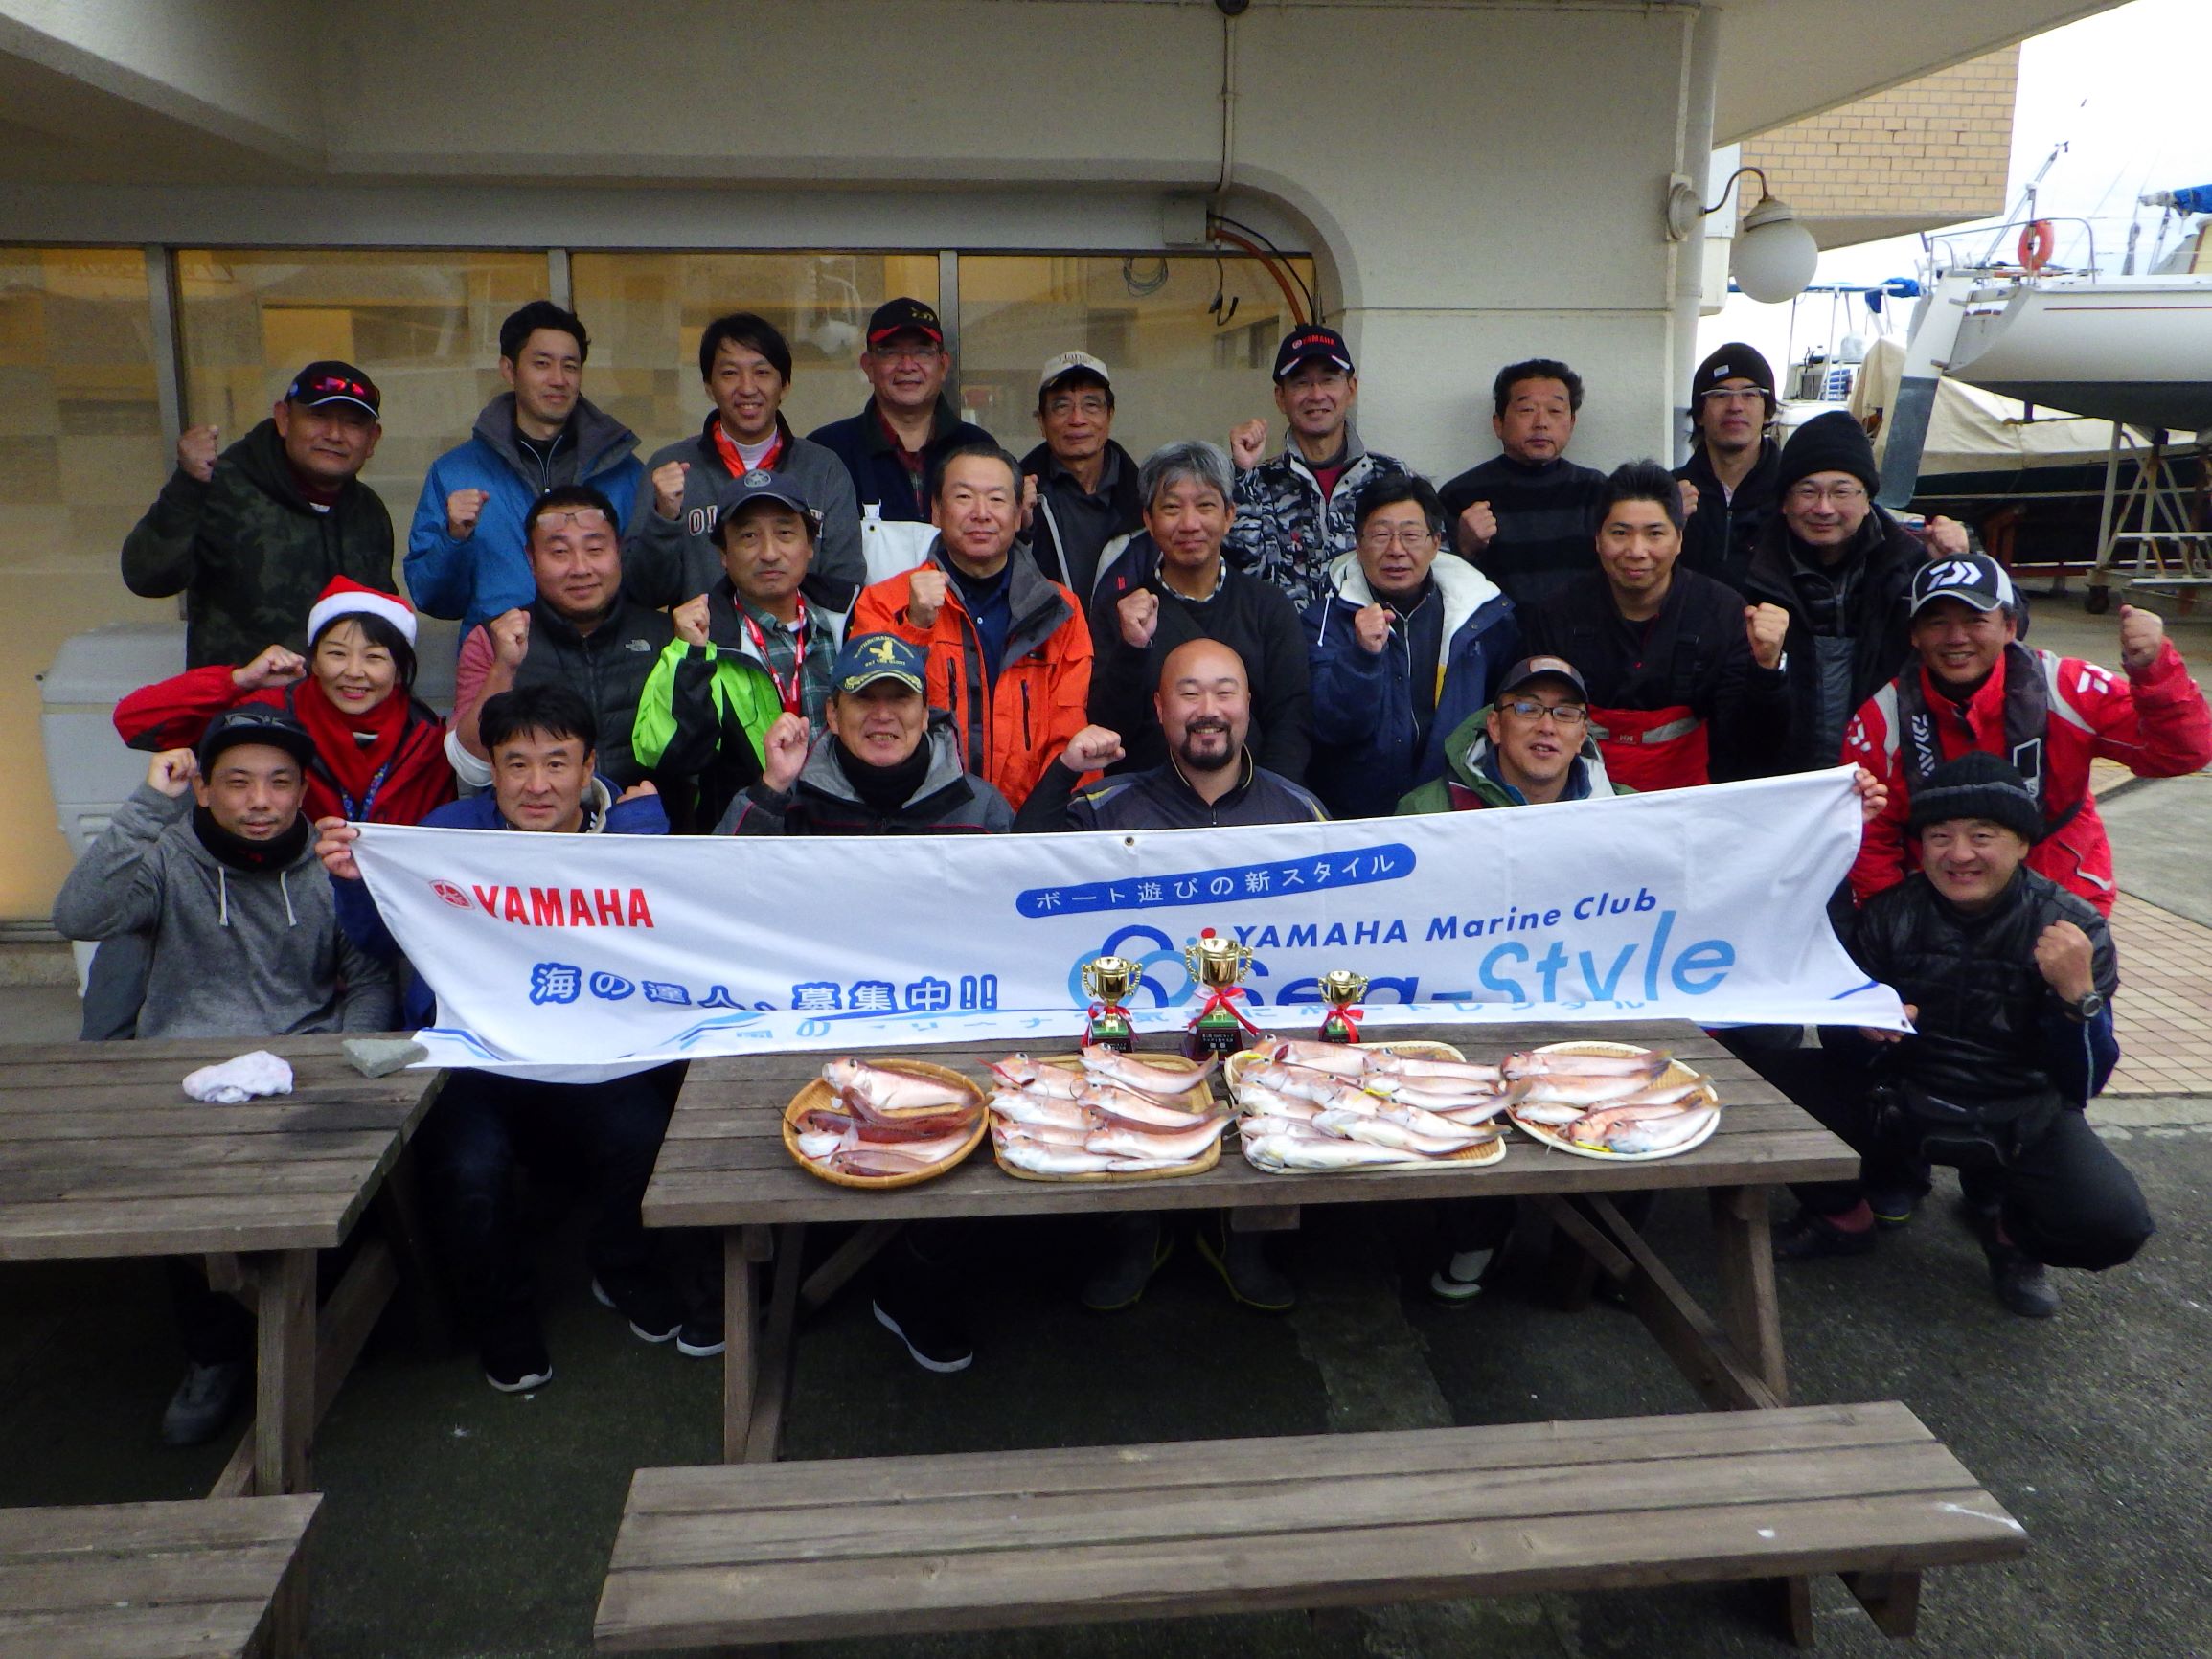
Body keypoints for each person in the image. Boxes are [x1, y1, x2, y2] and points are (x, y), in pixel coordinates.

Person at [317, 684, 696, 1390]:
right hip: (474, 1054)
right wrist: (353, 883)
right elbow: (378, 940)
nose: (536, 784)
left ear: (589, 768)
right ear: (491, 768)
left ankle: (621, 1266)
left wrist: (643, 844)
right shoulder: (447, 833)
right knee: (470, 1171)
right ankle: (502, 1314)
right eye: (516, 764)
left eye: (556, 763)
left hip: (589, 1049)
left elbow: (671, 941)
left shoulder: (628, 823)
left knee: (645, 1134)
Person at [54, 709, 395, 1446]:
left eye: (279, 783)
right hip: (184, 1071)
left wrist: (344, 1058)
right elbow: (77, 915)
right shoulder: (166, 856)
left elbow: (368, 977)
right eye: (237, 783)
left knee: (334, 1183)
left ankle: (324, 1326)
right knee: (193, 1206)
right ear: (204, 790)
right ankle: (214, 1355)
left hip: (301, 1065)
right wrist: (150, 804)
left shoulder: (326, 864)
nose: (260, 801)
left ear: (302, 790)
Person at [1770, 753, 2153, 1318]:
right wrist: (1866, 1029)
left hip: (2020, 1113)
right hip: (1901, 1100)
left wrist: (2079, 999)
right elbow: (1839, 1044)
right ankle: (1842, 1216)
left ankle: (2011, 1237)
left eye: (1982, 835)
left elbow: (2085, 1082)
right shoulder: (1888, 914)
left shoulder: (2073, 929)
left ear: (2022, 843)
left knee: (2113, 1224)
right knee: (1766, 1078)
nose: (1960, 853)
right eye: (1940, 836)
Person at [1018, 638, 1322, 1312]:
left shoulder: (1300, 813)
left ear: (1248, 705)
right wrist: (1063, 771)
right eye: (1189, 693)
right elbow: (1025, 870)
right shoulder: (1108, 806)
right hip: (1140, 1041)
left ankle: (1243, 1240)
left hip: (1258, 1039)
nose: (1208, 709)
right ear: (1159, 708)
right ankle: (1138, 1234)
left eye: (1224, 691)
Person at [1846, 555, 2212, 915]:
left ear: (2010, 627)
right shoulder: (1881, 718)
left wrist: (2156, 669)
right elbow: (1867, 837)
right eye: (1937, 622)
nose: (1956, 637)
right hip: (1938, 907)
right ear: (1914, 635)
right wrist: (1894, 922)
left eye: (1976, 620)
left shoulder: (2068, 687)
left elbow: (2181, 755)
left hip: (2062, 900)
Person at [1519, 460, 1790, 791]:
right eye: (1620, 533)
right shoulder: (1557, 613)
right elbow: (1532, 724)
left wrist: (1767, 667)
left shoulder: (1721, 611)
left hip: (1689, 798)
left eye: (1654, 534)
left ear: (1679, 540)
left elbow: (1753, 743)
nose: (1637, 551)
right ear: (1598, 539)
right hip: (1580, 796)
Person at [850, 443, 1091, 809]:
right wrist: (915, 627)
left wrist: (1050, 819)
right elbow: (870, 716)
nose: (981, 513)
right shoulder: (884, 601)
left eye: (996, 499)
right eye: (963, 497)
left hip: (1032, 821)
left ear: (1018, 515)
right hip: (918, 817)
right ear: (935, 511)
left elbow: (1069, 731)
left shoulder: (1059, 610)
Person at [115, 576, 453, 828]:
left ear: (399, 670)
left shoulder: (428, 738)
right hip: (281, 891)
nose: (353, 672)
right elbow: (133, 721)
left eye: (374, 657)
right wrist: (239, 680)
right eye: (337, 654)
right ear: (314, 662)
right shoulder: (269, 713)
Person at [1738, 409, 1970, 774]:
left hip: (1891, 775)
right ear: (1784, 502)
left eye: (1841, 491)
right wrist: (1766, 666)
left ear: (1867, 500)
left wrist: (1961, 566)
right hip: (1782, 780)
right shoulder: (1749, 573)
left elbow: (2006, 631)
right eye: (1807, 491)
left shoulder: (1911, 565)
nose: (1823, 508)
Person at [122, 360, 395, 670]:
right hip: (241, 698)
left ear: (372, 439)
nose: (334, 434)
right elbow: (146, 576)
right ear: (284, 419)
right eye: (318, 416)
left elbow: (380, 624)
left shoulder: (368, 511)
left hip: (339, 699)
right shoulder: (220, 488)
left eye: (353, 423)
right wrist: (187, 486)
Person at [403, 301, 644, 637]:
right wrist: (454, 538)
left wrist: (667, 518)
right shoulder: (455, 473)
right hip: (499, 657)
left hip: (605, 654)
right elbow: (432, 598)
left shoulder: (622, 469)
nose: (558, 379)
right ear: (509, 369)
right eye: (542, 364)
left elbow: (651, 588)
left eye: (570, 366)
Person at [1087, 440, 1312, 784]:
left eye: (1205, 505)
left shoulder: (1268, 606)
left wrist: (1266, 801)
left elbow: (1292, 720)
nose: (1189, 523)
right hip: (1146, 803)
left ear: (1229, 516)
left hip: (1253, 801)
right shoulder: (1119, 612)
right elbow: (1108, 730)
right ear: (1148, 520)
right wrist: (1132, 648)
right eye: (1172, 508)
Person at [635, 472, 850, 830]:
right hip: (750, 836)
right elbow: (664, 753)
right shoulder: (700, 637)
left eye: (785, 533)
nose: (769, 553)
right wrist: (690, 656)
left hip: (851, 831)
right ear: (724, 554)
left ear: (810, 546)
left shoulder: (853, 616)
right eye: (749, 536)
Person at [1302, 470, 1516, 818]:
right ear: (1358, 544)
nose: (1396, 550)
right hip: (1356, 816)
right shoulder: (1324, 620)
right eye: (1381, 535)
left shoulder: (1481, 616)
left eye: (1411, 535)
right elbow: (1331, 727)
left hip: (1453, 808)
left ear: (1436, 542)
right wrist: (1362, 657)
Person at [624, 310, 865, 614]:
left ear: (785, 385)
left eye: (762, 372)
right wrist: (665, 518)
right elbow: (642, 593)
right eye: (730, 373)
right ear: (709, 386)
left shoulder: (823, 469)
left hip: (802, 641)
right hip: (705, 642)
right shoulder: (670, 466)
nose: (747, 387)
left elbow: (845, 584)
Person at [445, 485, 673, 797]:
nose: (580, 568)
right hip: (535, 821)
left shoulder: (665, 635)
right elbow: (471, 767)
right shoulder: (494, 638)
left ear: (618, 551)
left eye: (595, 549)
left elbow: (697, 757)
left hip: (649, 819)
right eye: (559, 553)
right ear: (531, 559)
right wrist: (504, 668)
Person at [720, 633, 1013, 835]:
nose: (883, 715)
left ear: (925, 714)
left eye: (900, 698)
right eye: (864, 697)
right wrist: (772, 788)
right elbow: (723, 886)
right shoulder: (791, 803)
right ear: (833, 714)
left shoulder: (980, 808)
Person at [1223, 326, 1412, 609]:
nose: (1316, 394)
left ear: (1351, 389)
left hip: (1374, 635)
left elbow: (1426, 563)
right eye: (1301, 383)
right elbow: (1233, 567)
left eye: (1328, 380)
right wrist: (1241, 473)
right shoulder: (1256, 483)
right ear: (1280, 397)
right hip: (1283, 637)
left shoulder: (1392, 476)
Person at [807, 298, 997, 525]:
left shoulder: (979, 447)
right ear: (868, 366)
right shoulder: (827, 452)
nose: (907, 366)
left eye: (922, 352)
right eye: (891, 353)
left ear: (943, 365)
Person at [1440, 359, 1609, 611]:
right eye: (1527, 410)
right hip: (1496, 633)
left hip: (1581, 631)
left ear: (1572, 422)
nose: (1541, 423)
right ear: (1498, 423)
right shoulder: (1460, 494)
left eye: (1555, 411)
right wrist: (1465, 547)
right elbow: (1437, 584)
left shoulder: (1597, 490)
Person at [1020, 351, 1143, 601]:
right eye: (1062, 406)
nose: (1077, 419)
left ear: (1110, 416)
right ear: (1041, 422)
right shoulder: (1017, 496)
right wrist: (1019, 526)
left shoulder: (1145, 496)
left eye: (1091, 405)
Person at [1675, 342, 1783, 595]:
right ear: (1700, 414)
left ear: (1767, 411)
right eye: (1720, 394)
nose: (1735, 406)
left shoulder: (1794, 492)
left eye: (1750, 394)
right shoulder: (1668, 492)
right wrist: (1666, 522)